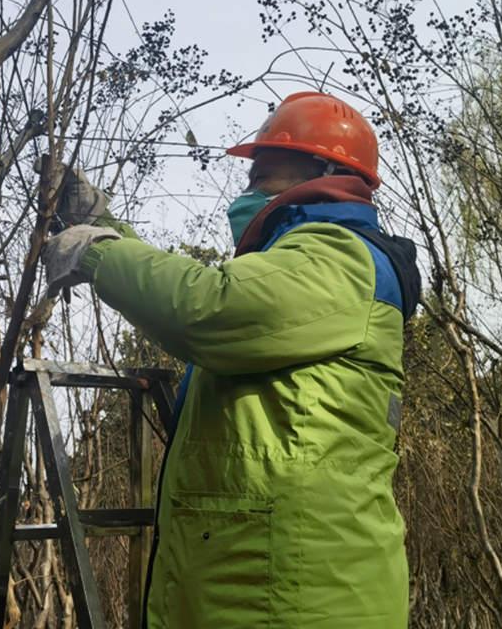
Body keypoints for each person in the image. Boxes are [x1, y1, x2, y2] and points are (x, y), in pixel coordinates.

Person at [42, 91, 420, 628]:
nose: (249, 187)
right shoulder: (303, 268)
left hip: (301, 599)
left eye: (264, 171)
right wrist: (106, 224)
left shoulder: (339, 255)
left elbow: (210, 308)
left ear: (324, 170)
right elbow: (217, 304)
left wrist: (98, 251)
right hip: (271, 590)